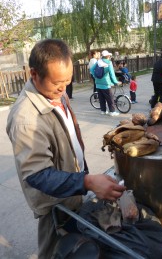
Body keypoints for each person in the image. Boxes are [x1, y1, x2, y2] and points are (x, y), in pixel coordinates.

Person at [6, 39, 126, 259]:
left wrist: (84, 175)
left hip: (73, 192)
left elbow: (71, 139)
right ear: (34, 74)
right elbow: (37, 175)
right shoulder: (26, 118)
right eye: (57, 83)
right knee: (54, 251)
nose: (63, 89)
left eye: (68, 81)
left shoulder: (57, 94)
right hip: (54, 204)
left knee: (76, 246)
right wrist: (87, 181)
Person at [90, 50, 120, 116]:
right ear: (107, 56)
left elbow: (91, 69)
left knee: (101, 98)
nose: (110, 56)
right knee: (110, 98)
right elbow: (112, 74)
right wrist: (115, 82)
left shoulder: (98, 62)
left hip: (98, 83)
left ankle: (103, 111)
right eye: (109, 55)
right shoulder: (109, 63)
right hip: (106, 84)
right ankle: (112, 112)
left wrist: (95, 76)